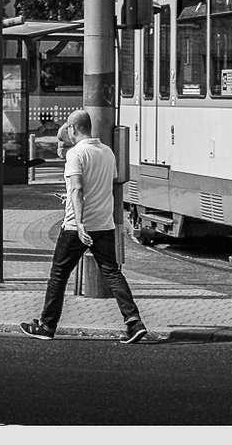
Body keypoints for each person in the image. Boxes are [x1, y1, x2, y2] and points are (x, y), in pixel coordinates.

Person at [20, 109, 148, 344]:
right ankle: (134, 322)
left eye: (68, 128)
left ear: (73, 129)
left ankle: (47, 326)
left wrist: (79, 224)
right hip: (104, 224)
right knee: (112, 272)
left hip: (76, 227)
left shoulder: (76, 154)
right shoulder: (107, 152)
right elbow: (100, 185)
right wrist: (70, 198)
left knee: (58, 275)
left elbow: (78, 189)